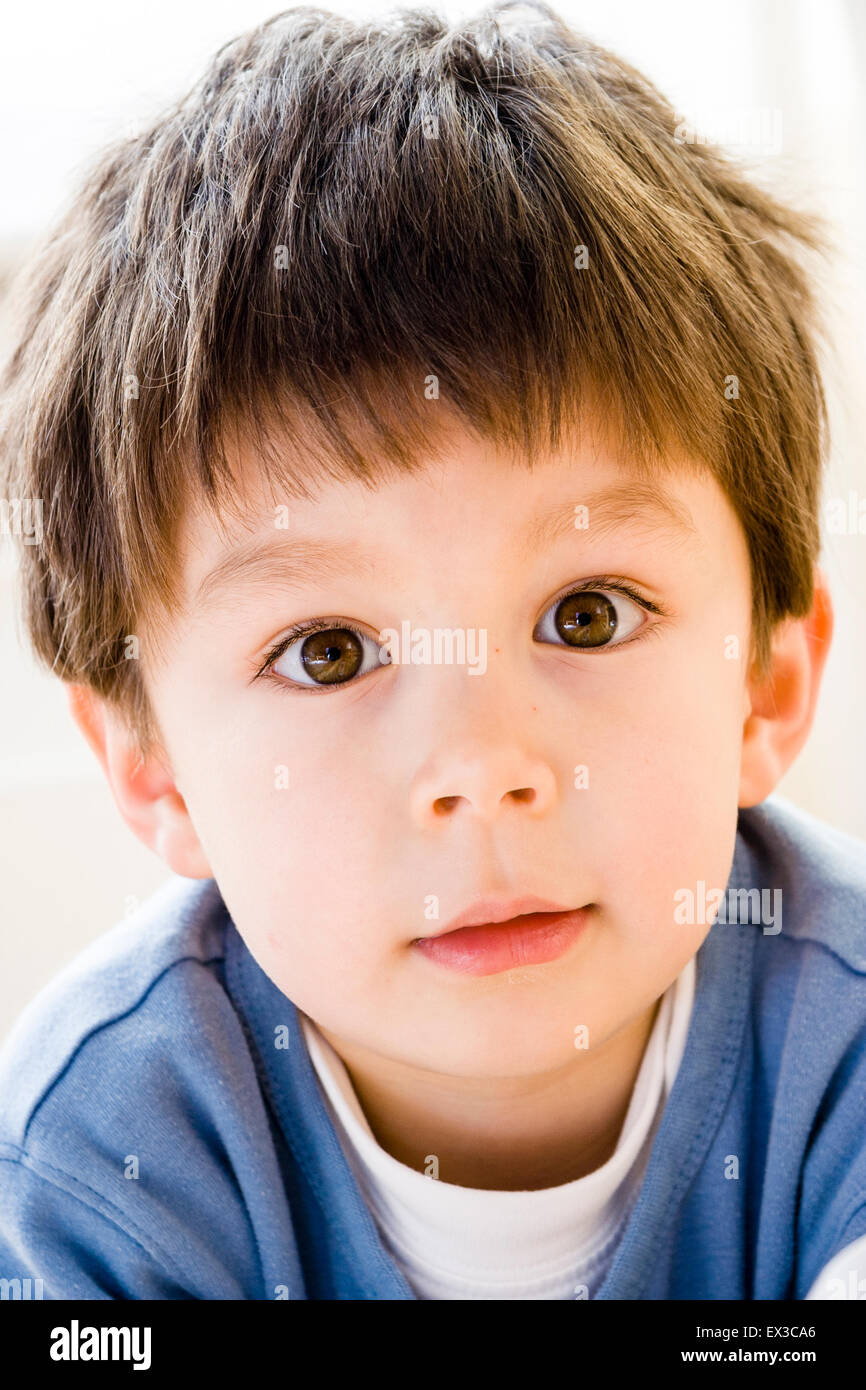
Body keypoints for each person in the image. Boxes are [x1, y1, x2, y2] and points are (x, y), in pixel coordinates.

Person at [0, 2, 863, 1300]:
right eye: (329, 651)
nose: (480, 767)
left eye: (587, 613)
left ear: (766, 680)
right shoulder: (102, 1145)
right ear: (151, 767)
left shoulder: (837, 1040)